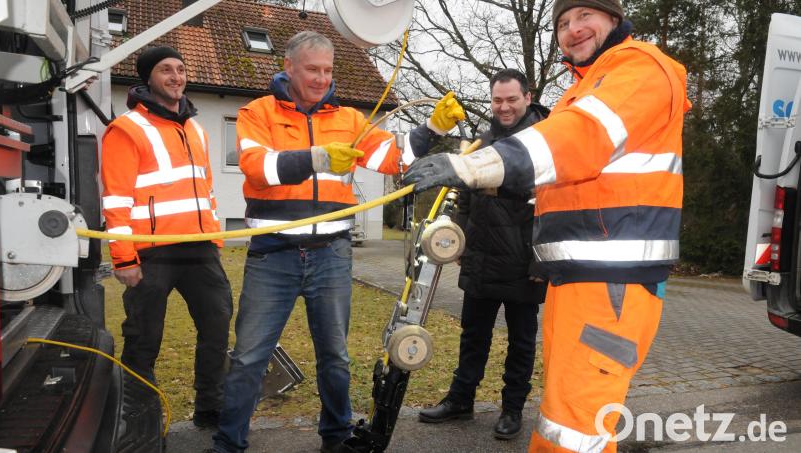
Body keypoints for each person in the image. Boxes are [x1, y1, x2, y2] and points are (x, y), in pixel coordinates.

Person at [403, 0, 692, 451]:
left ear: (614, 19)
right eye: (562, 22)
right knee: (565, 417)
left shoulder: (641, 68)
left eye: (585, 16)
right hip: (576, 280)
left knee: (576, 426)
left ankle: (511, 410)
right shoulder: (588, 86)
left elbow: (580, 138)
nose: (572, 29)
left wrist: (473, 167)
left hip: (608, 285)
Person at [210, 31, 464, 453]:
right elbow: (257, 169)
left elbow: (392, 158)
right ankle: (228, 443)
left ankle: (336, 436)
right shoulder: (258, 113)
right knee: (250, 356)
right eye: (312, 69)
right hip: (273, 254)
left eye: (327, 70)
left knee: (335, 357)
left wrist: (434, 126)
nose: (321, 78)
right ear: (289, 67)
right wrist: (318, 157)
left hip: (331, 253)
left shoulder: (348, 118)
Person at [101, 46, 233, 429]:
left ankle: (211, 407)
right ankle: (139, 419)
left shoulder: (196, 128)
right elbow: (116, 199)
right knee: (143, 338)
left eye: (180, 69)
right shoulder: (126, 129)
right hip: (152, 254)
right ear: (148, 78)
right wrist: (124, 258)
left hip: (200, 250)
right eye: (165, 70)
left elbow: (206, 189)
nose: (176, 77)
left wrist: (215, 238)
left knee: (217, 326)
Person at [418, 69, 549, 440]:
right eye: (497, 100)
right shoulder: (482, 140)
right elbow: (464, 196)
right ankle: (460, 400)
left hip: (525, 262)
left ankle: (512, 409)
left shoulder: (544, 141)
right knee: (473, 335)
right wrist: (460, 239)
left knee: (521, 341)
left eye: (511, 99)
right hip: (480, 256)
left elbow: (555, 206)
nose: (504, 107)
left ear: (527, 96)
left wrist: (543, 260)